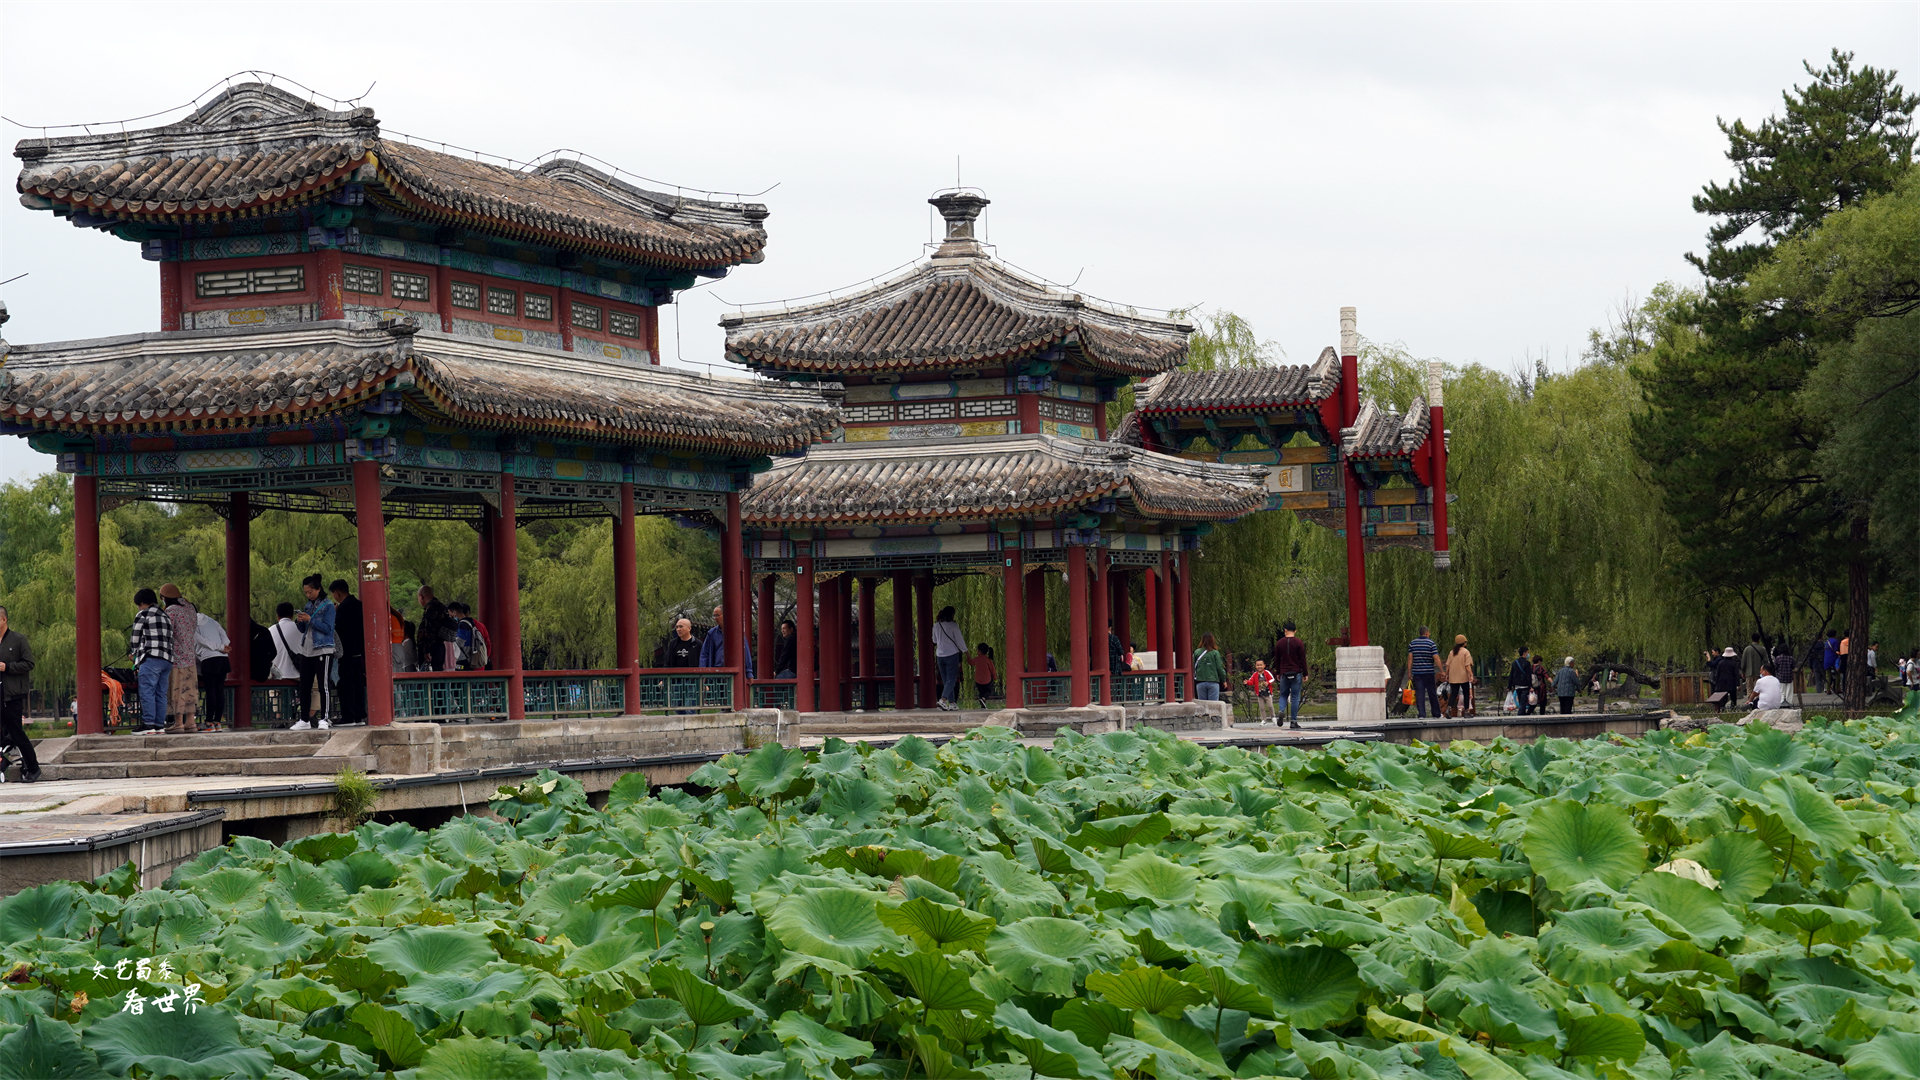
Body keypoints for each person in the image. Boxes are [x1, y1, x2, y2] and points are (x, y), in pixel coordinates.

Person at [0, 606, 42, 781]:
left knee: (16, 732)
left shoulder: (18, 640)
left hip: (12, 695)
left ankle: (33, 767)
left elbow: (29, 664)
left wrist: (7, 667)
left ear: (3, 620)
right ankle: (3, 764)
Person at [291, 575, 336, 729]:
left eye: (310, 591)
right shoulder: (307, 606)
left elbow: (328, 628)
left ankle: (325, 717)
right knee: (305, 685)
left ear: (318, 589)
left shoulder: (328, 606)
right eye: (306, 592)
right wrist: (300, 621)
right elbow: (304, 629)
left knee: (323, 685)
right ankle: (304, 719)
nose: (308, 595)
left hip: (323, 648)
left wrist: (310, 619)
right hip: (307, 649)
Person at [156, 584, 201, 733]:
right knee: (190, 689)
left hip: (176, 657)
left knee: (177, 689)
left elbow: (167, 632)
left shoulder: (171, 611)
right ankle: (191, 722)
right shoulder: (190, 608)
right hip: (190, 655)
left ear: (164, 598)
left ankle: (179, 723)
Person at [129, 588, 175, 734]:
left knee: (147, 691)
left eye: (139, 605)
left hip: (151, 658)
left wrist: (134, 653)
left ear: (142, 603)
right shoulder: (165, 615)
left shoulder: (143, 614)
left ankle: (148, 724)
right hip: (167, 659)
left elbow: (135, 639)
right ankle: (159, 725)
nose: (139, 608)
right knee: (160, 693)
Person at [331, 580, 367, 726]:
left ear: (337, 593)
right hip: (358, 651)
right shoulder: (359, 605)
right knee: (358, 684)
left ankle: (348, 716)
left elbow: (337, 628)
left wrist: (334, 613)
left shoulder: (344, 607)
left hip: (345, 652)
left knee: (346, 685)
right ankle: (359, 715)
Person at [194, 609, 231, 730]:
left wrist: (217, 647)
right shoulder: (212, 620)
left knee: (211, 691)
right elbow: (224, 636)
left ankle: (209, 723)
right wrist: (222, 647)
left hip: (209, 659)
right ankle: (217, 722)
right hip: (223, 658)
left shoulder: (191, 623)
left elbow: (200, 640)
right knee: (219, 691)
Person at [1272, 619, 1307, 729]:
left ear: (1285, 630)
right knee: (1295, 697)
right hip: (1296, 672)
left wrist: (1278, 672)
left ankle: (1282, 710)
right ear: (1295, 631)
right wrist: (1305, 673)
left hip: (1284, 672)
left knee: (1283, 694)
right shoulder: (1299, 642)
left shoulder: (1279, 643)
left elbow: (1277, 659)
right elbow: (1302, 659)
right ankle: (1293, 721)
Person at [698, 605, 752, 674]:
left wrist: (749, 672)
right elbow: (704, 653)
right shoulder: (712, 633)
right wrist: (703, 671)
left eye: (717, 615)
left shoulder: (737, 632)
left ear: (725, 615)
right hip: (716, 671)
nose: (715, 618)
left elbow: (745, 651)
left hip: (733, 671)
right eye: (714, 616)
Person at [932, 606, 966, 711]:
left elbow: (934, 640)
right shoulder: (953, 626)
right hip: (952, 654)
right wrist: (966, 653)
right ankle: (943, 700)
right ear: (952, 614)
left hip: (940, 655)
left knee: (946, 680)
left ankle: (952, 703)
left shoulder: (936, 626)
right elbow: (960, 641)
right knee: (951, 679)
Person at [415, 587, 455, 673]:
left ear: (421, 597)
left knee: (430, 675)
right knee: (439, 672)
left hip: (432, 649)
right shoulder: (442, 607)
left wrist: (427, 651)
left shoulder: (431, 608)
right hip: (440, 646)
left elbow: (429, 630)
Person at [1406, 625, 1440, 720]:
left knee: (1419, 693)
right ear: (1426, 633)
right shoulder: (1431, 643)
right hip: (1429, 672)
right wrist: (1441, 670)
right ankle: (1436, 713)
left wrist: (1409, 672)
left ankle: (1421, 714)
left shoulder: (1412, 643)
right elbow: (1436, 657)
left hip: (1417, 672)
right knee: (1432, 692)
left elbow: (1410, 658)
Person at [448, 601, 490, 672]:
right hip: (471, 657)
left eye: (450, 614)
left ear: (455, 612)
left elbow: (459, 642)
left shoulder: (462, 625)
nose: (450, 616)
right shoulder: (471, 624)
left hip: (463, 659)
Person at [267, 603, 302, 683]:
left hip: (276, 678)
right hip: (298, 676)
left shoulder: (269, 631)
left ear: (277, 616)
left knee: (273, 695)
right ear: (292, 616)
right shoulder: (301, 629)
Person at [1445, 635, 1476, 717]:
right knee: (1466, 693)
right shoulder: (1466, 652)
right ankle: (1466, 712)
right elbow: (1467, 665)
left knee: (1453, 693)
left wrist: (1446, 674)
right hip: (1463, 676)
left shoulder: (1452, 652)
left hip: (1453, 676)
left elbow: (1447, 665)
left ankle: (1448, 708)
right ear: (1464, 643)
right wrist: (1471, 675)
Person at [1192, 633, 1226, 702]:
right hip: (1213, 681)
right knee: (1213, 705)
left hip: (1200, 682)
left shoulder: (1197, 652)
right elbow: (1219, 668)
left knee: (1202, 705)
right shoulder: (1215, 653)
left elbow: (1192, 666)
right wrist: (1224, 680)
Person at [1244, 659, 1276, 725]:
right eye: (1258, 665)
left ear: (1264, 666)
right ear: (1255, 666)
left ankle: (1273, 717)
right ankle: (1264, 720)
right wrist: (1247, 682)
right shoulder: (1254, 674)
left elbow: (1272, 679)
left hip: (1268, 693)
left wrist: (1268, 682)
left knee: (1270, 706)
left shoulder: (1267, 672)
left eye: (1261, 665)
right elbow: (1251, 681)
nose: (1259, 666)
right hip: (1259, 693)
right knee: (1261, 707)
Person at [1710, 646, 1741, 712]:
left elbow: (1717, 674)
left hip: (1722, 682)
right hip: (1731, 682)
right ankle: (1733, 708)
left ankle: (1722, 709)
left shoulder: (1721, 663)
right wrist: (1738, 684)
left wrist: (1717, 684)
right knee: (1733, 697)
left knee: (1723, 697)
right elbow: (1736, 674)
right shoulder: (1734, 663)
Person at [1508, 647, 1535, 717]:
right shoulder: (1527, 663)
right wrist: (1531, 686)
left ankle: (1523, 716)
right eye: (1527, 652)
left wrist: (1509, 686)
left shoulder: (1514, 663)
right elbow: (1528, 676)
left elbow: (1511, 675)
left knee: (1521, 701)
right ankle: (1519, 717)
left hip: (1517, 685)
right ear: (1524, 653)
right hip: (1525, 685)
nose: (1528, 654)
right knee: (1523, 703)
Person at [1741, 634, 1769, 698]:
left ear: (1751, 639)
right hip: (1759, 673)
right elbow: (1765, 661)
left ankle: (1750, 703)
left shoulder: (1746, 649)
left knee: (1749, 689)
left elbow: (1743, 661)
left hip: (1748, 673)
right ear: (1759, 640)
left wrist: (1743, 671)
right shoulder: (1762, 649)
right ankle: (1757, 702)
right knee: (1758, 689)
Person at [1771, 639, 1798, 706]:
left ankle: (1781, 703)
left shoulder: (1778, 658)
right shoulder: (1790, 658)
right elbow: (1793, 667)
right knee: (1789, 692)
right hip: (1789, 677)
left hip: (1781, 677)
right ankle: (1789, 703)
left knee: (1781, 691)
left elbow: (1775, 667)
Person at [971, 643, 997, 707]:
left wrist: (967, 655)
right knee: (988, 691)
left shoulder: (977, 659)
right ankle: (984, 699)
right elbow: (992, 670)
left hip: (978, 680)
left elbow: (971, 662)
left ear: (979, 651)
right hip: (987, 680)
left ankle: (982, 705)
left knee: (981, 692)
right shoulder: (988, 660)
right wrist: (995, 677)